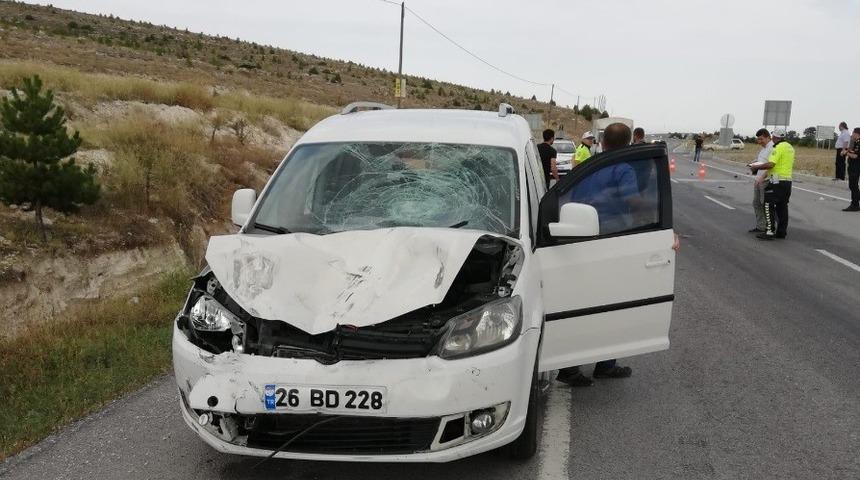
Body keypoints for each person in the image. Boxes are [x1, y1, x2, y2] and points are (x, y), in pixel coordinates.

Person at [557, 122, 635, 388]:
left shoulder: (590, 165)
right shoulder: (623, 169)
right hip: (611, 242)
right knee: (613, 306)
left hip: (580, 239)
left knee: (582, 305)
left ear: (603, 141)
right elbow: (633, 201)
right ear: (628, 144)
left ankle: (570, 366)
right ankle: (604, 365)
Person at [751, 128, 794, 240]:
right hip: (787, 181)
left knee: (767, 204)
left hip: (776, 181)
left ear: (774, 137)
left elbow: (771, 164)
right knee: (782, 208)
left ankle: (769, 231)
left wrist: (757, 167)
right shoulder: (790, 147)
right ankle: (781, 232)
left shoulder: (777, 147)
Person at [746, 129, 774, 233]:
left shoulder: (773, 148)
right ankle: (761, 226)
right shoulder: (763, 149)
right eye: (758, 139)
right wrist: (752, 164)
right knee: (756, 203)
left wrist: (762, 178)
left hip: (766, 180)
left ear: (768, 137)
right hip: (758, 180)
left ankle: (769, 227)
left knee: (765, 205)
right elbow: (760, 162)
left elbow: (771, 165)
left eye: (761, 139)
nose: (759, 141)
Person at [842, 127, 860, 211]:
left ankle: (854, 205)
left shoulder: (859, 143)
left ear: (857, 134)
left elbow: (855, 156)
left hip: (856, 166)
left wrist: (846, 153)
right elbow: (850, 150)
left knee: (853, 185)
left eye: (853, 133)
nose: (852, 134)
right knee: (853, 185)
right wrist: (846, 151)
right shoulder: (854, 142)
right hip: (852, 166)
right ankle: (856, 203)